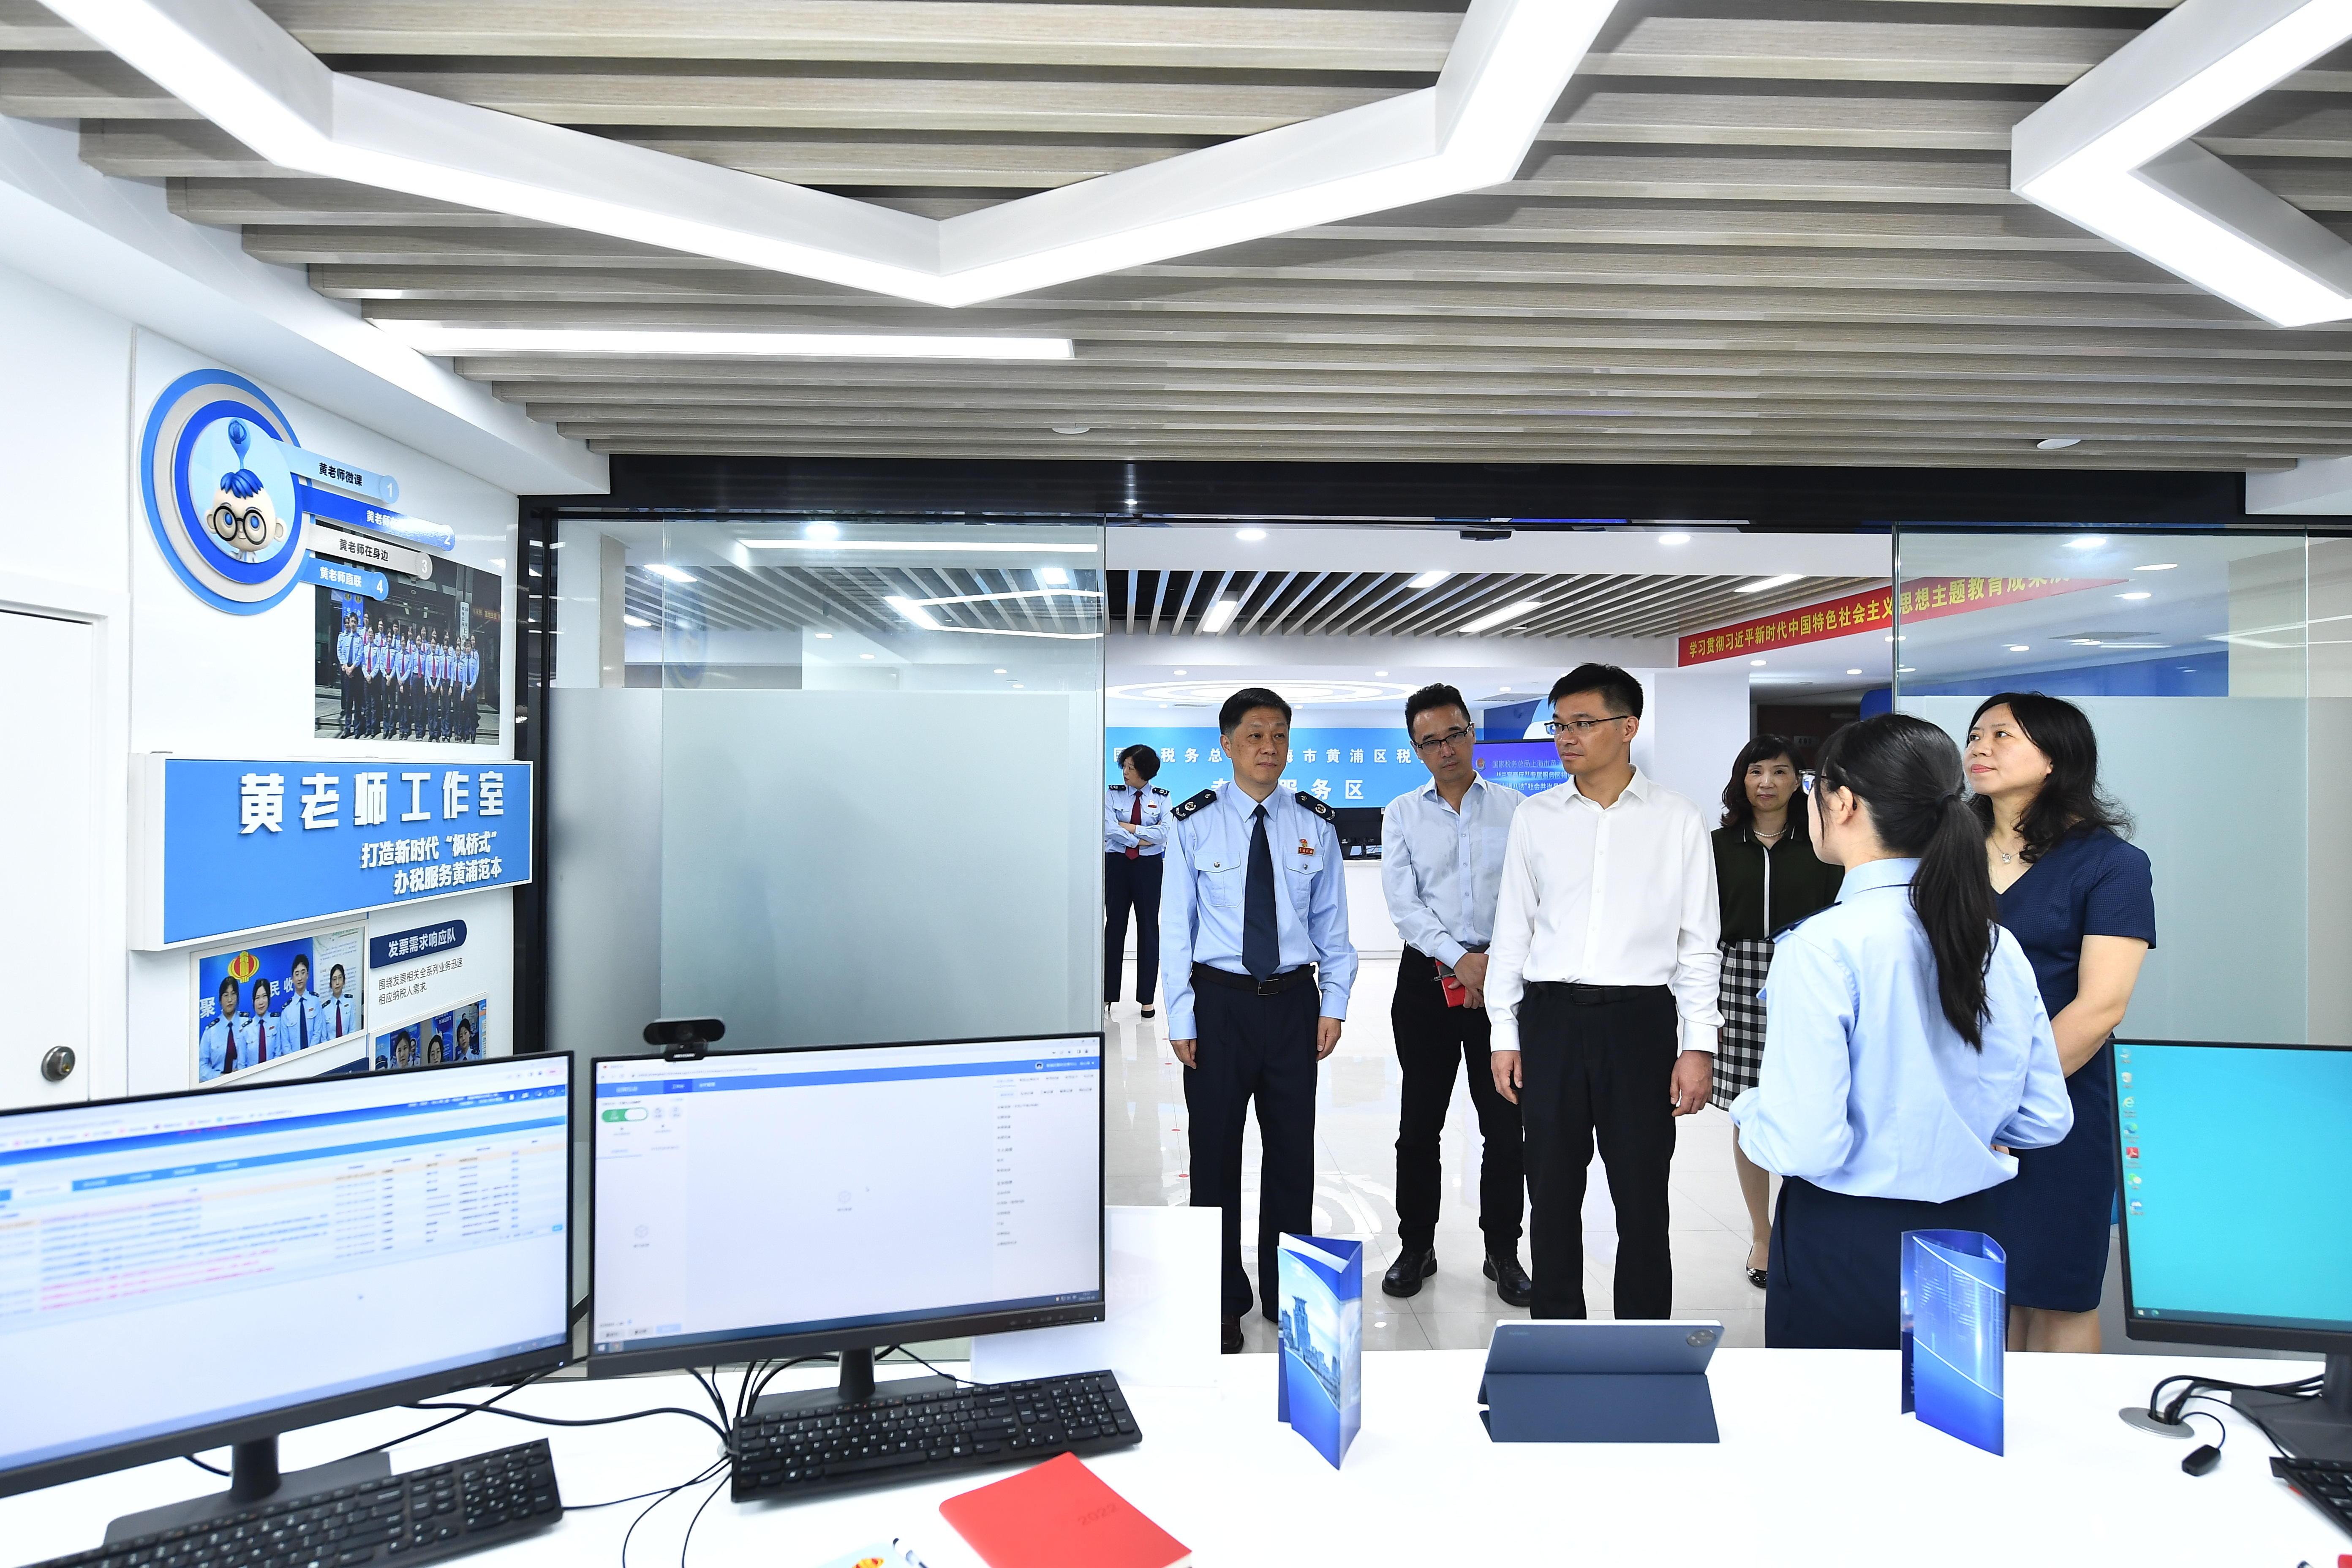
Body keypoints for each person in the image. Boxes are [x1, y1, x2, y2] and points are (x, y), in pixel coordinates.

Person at [1733, 713, 2072, 1349]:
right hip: (1969, 1233)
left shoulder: (1823, 945)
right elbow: (2044, 1119)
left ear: (1843, 802)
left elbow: (1806, 1148)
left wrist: (1751, 1110)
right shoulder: (1994, 941)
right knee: (1949, 1412)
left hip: (1848, 1241)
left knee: (1838, 1412)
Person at [1487, 664, 1720, 1320]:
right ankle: (1558, 1335)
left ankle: (1642, 1342)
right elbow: (1512, 932)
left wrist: (1698, 1044)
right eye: (1559, 725)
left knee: (1643, 1196)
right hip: (1551, 1019)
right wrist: (1504, 1032)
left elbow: (1699, 943)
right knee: (1552, 1192)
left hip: (1640, 1022)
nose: (1567, 737)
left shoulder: (1677, 819)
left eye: (1583, 723)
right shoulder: (1535, 817)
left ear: (1628, 727)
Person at [1162, 686, 1358, 1354]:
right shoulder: (1193, 823)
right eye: (1254, 735)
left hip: (1294, 1003)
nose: (1268, 747)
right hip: (1219, 1005)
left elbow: (1333, 924)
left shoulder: (1314, 823)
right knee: (1214, 1157)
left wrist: (1333, 1003)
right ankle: (1220, 1297)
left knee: (1292, 1156)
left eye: (1279, 735)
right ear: (1226, 744)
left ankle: (1288, 1293)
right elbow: (1175, 929)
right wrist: (1181, 1016)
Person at [1968, 693, 2154, 1353]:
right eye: (1976, 734)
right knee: (1974, 1292)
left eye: (2003, 735)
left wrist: (2007, 1100)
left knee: (2054, 1291)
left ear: (2055, 758)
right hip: (1954, 1105)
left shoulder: (2111, 865)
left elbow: (2102, 1005)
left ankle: (2065, 1420)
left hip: (2059, 1103)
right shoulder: (1942, 852)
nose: (1980, 747)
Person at [1379, 682, 1531, 1307]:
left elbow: (1529, 896)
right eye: (1431, 741)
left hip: (1505, 982)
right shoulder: (1401, 813)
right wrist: (1459, 961)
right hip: (1426, 982)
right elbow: (1403, 903)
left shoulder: (1518, 809)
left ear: (1472, 733)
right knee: (1419, 1126)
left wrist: (1489, 966)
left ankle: (1503, 1251)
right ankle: (1416, 1245)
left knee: (1506, 1127)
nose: (1446, 749)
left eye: (1455, 734)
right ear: (1416, 749)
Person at [1710, 734, 1844, 1289]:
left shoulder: (1822, 844)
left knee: (1808, 1102)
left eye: (1781, 771)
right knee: (1749, 1109)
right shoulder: (1718, 845)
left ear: (1799, 781)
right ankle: (1762, 1235)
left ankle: (1801, 1231)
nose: (1767, 782)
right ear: (1741, 780)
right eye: (1756, 771)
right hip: (1737, 978)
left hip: (1808, 973)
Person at [1104, 743, 1171, 1018]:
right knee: (1114, 928)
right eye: (1124, 766)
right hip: (1117, 865)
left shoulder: (1162, 797)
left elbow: (1165, 832)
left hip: (1149, 868)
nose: (1125, 772)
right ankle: (1108, 995)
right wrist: (1141, 839)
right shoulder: (1112, 794)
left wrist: (1130, 829)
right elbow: (1108, 827)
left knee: (1148, 929)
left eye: (1131, 768)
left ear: (1145, 772)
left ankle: (1147, 1000)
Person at [278, 951, 322, 1060]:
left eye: (303, 973)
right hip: (294, 1061)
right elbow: (285, 1043)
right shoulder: (287, 1010)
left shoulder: (315, 1001)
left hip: (315, 1057)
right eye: (297, 974)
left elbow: (318, 1032)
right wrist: (296, 1060)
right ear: (292, 979)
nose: (300, 978)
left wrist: (310, 1055)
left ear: (308, 975)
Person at [199, 976, 242, 1078]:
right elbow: (201, 1067)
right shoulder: (211, 1031)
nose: (230, 1000)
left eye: (233, 994)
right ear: (220, 1000)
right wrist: (220, 1077)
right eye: (226, 995)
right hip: (218, 1084)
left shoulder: (248, 1024)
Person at [238, 977, 282, 1066]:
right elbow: (241, 1063)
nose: (261, 1002)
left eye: (264, 996)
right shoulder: (246, 1029)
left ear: (269, 998)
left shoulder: (277, 1021)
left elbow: (278, 1053)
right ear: (253, 1001)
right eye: (257, 998)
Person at [320, 962, 357, 1040]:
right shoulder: (325, 1009)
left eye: (340, 978)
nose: (337, 983)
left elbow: (352, 1030)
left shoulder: (350, 1002)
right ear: (331, 984)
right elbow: (324, 1038)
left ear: (344, 981)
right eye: (334, 979)